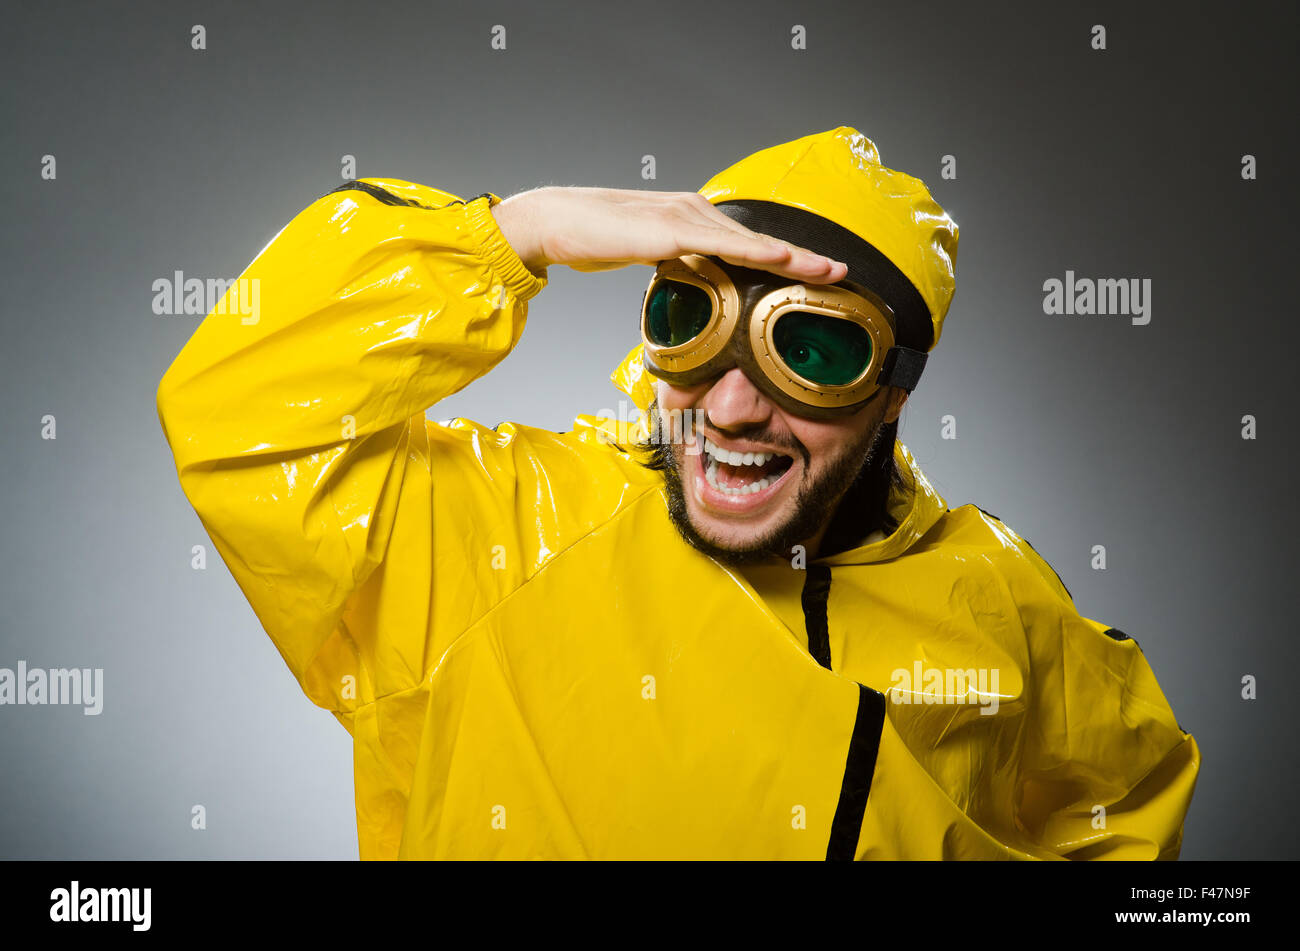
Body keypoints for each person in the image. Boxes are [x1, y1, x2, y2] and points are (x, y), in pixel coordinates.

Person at [157, 127, 1199, 859]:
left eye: (815, 349)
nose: (732, 406)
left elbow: (1123, 811)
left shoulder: (996, 601)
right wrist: (510, 235)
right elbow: (244, 415)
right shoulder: (508, 531)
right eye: (692, 323)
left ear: (892, 391)